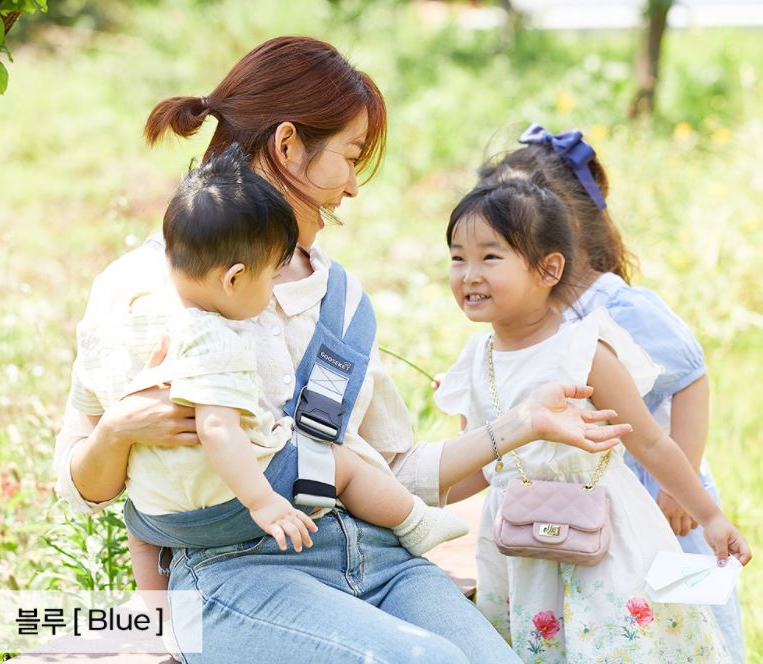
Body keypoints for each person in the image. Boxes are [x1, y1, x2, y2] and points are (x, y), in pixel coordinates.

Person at [54, 37, 630, 664]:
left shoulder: (342, 300)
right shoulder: (144, 291)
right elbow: (82, 485)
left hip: (378, 559)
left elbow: (388, 470)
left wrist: (523, 423)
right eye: (350, 156)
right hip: (238, 574)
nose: (354, 186)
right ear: (286, 145)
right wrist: (114, 431)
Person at [71, 142, 468, 572]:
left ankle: (160, 611)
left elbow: (89, 397)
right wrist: (262, 502)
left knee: (140, 528)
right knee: (342, 467)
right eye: (271, 276)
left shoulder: (127, 314)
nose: (273, 289)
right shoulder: (219, 336)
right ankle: (415, 521)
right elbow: (217, 427)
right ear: (234, 279)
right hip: (237, 500)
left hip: (158, 514)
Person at [434, 176, 751, 662]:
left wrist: (709, 516)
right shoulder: (477, 360)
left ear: (548, 269)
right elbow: (480, 465)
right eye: (458, 258)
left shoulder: (585, 351)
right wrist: (408, 499)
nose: (469, 275)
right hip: (521, 552)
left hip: (606, 546)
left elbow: (650, 443)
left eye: (490, 257)